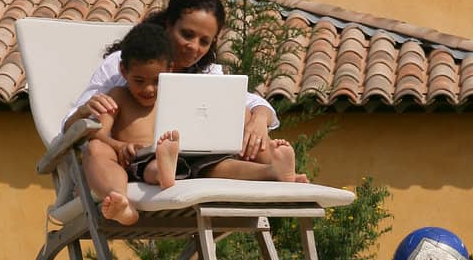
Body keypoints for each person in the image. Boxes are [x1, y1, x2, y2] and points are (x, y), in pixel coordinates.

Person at [77, 22, 305, 227]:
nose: (148, 89)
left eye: (157, 80)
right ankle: (123, 202)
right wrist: (118, 145)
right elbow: (99, 134)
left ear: (170, 70)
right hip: (143, 157)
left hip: (190, 154)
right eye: (139, 80)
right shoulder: (116, 95)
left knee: (219, 165)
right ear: (123, 71)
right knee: (150, 166)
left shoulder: (181, 92)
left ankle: (272, 172)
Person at [61, 0, 279, 159]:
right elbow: (72, 124)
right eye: (187, 34)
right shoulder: (123, 64)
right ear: (168, 25)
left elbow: (247, 101)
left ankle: (277, 169)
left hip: (191, 164)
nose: (194, 47)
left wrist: (259, 120)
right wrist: (87, 112)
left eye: (204, 41)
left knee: (245, 118)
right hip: (136, 161)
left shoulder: (206, 73)